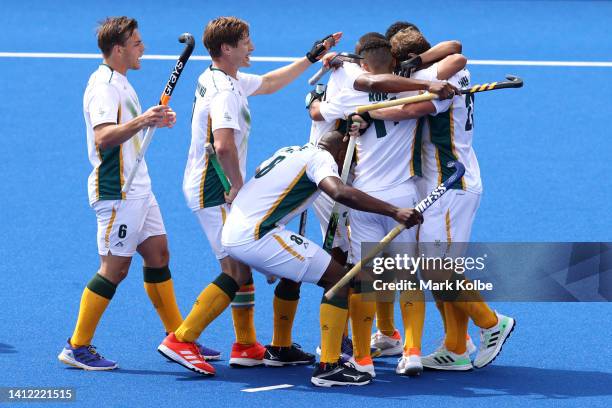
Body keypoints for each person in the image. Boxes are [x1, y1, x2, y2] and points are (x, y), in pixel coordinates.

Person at [158, 130, 422, 387]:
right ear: (340, 151)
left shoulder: (289, 151)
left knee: (247, 275)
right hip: (257, 235)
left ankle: (272, 347)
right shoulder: (322, 158)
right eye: (350, 161)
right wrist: (394, 211)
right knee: (339, 279)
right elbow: (339, 192)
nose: (348, 168)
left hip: (237, 230)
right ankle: (329, 367)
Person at [179, 16, 340, 367]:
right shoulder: (224, 92)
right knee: (234, 271)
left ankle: (246, 346)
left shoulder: (221, 78)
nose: (251, 47)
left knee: (242, 269)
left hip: (210, 183)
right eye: (245, 42)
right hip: (214, 187)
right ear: (227, 48)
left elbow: (268, 83)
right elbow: (223, 146)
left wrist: (310, 58)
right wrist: (238, 188)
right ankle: (182, 338)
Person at [58, 16, 218, 370]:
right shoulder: (104, 86)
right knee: (114, 269)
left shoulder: (122, 83)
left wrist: (152, 120)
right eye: (136, 43)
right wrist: (143, 120)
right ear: (118, 49)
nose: (142, 47)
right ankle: (77, 345)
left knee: (159, 254)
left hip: (139, 187)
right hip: (118, 190)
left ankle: (179, 337)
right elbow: (103, 136)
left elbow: (126, 130)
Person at [310, 35, 465, 376]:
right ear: (393, 63)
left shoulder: (351, 94)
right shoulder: (414, 89)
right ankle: (411, 352)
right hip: (402, 196)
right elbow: (454, 54)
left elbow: (320, 113)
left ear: (363, 65)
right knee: (408, 274)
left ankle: (363, 359)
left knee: (368, 278)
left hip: (364, 199)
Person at [378, 27, 516, 371]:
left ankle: (491, 323)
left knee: (436, 269)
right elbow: (455, 47)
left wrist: (368, 111)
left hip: (450, 184)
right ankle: (455, 347)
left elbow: (411, 112)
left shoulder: (430, 77)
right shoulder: (443, 67)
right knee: (444, 269)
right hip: (441, 184)